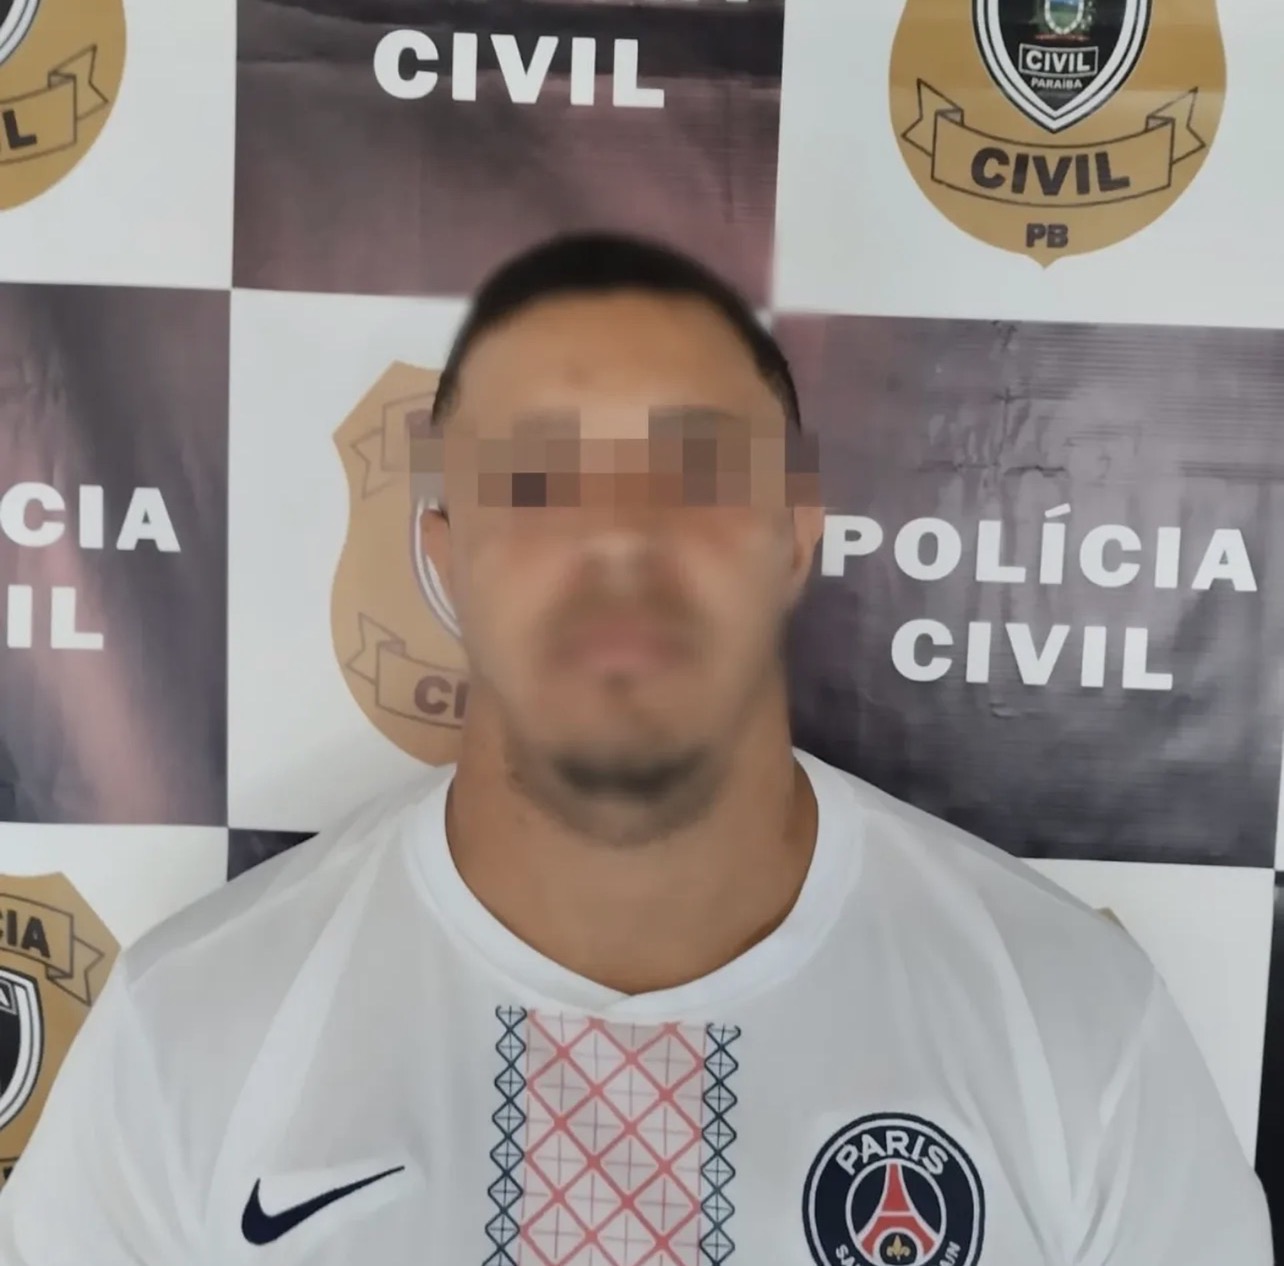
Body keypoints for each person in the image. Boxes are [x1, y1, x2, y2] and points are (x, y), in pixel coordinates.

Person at [0, 232, 1271, 1266]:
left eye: (695, 475)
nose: (617, 546)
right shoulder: (190, 1031)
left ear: (794, 537)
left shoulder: (1071, 1024)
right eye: (539, 481)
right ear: (445, 557)